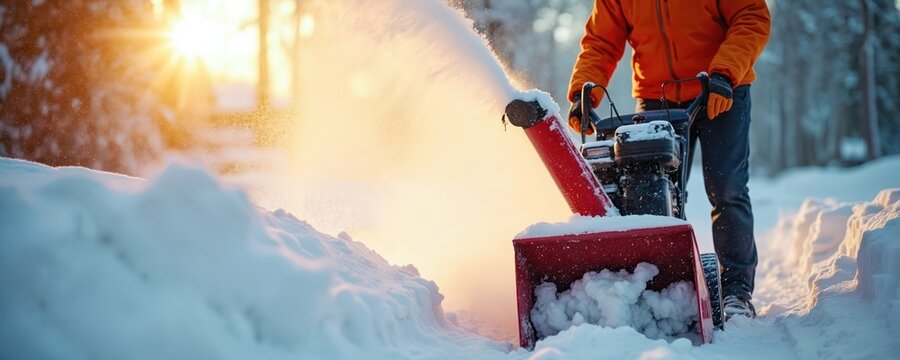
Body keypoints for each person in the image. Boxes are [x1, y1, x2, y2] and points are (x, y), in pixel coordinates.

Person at [567, 0, 770, 319]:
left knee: (726, 187)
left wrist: (726, 72)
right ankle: (660, 289)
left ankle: (736, 292)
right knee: (648, 194)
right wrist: (584, 91)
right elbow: (602, 41)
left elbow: (751, 16)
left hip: (720, 88)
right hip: (657, 95)